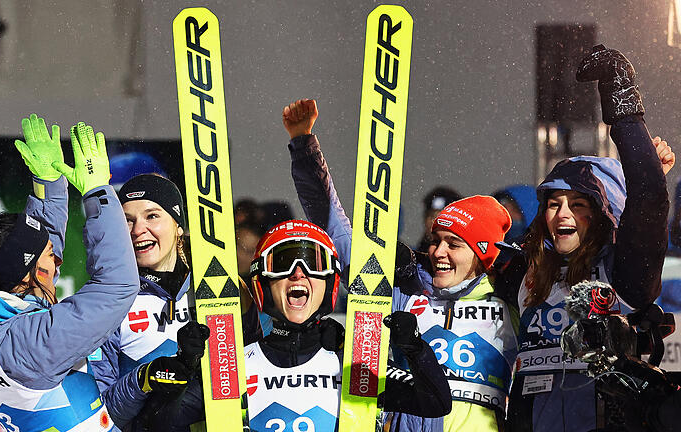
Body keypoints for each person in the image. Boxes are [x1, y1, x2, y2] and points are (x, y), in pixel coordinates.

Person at [282, 99, 517, 431]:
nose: (438, 252)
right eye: (435, 240)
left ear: (482, 254)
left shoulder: (511, 301)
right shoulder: (408, 291)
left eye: (454, 244)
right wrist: (305, 146)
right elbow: (335, 230)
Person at [0, 115, 140, 431]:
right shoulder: (28, 345)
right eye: (51, 260)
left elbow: (33, 249)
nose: (58, 267)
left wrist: (48, 184)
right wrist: (97, 192)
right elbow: (117, 285)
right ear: (27, 276)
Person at [501, 45, 673, 431]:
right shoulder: (524, 273)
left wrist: (622, 99)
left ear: (601, 216)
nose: (562, 214)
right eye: (554, 203)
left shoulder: (622, 273)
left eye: (579, 205)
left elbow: (648, 198)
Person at [163, 220, 452, 431]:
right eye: (283, 264)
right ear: (262, 282)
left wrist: (415, 349)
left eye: (313, 263)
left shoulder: (354, 366)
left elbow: (436, 403)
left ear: (330, 282)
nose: (298, 274)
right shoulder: (234, 366)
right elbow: (163, 424)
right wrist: (185, 366)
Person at [90, 173, 261, 431]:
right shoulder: (109, 301)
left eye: (152, 216)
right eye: (128, 220)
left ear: (178, 224)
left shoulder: (224, 287)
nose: (138, 230)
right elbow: (101, 416)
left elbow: (261, 369)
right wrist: (144, 378)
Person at [416, 187, 462, 252]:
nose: (433, 222)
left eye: (441, 218)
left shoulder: (468, 257)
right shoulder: (411, 257)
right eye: (431, 216)